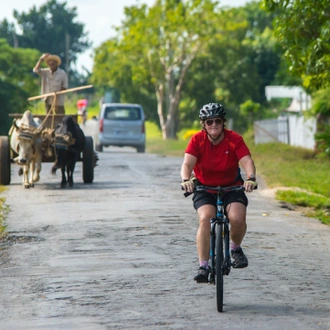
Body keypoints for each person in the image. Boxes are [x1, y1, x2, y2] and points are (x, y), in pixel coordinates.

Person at [180, 103, 257, 283]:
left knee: (237, 218)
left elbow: (246, 161)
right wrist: (186, 180)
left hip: (231, 186)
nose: (213, 124)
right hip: (204, 188)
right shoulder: (197, 140)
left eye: (217, 121)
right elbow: (187, 165)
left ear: (223, 122)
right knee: (206, 218)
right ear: (203, 124)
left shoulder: (234, 139)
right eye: (209, 122)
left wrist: (251, 178)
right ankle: (204, 265)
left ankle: (235, 248)